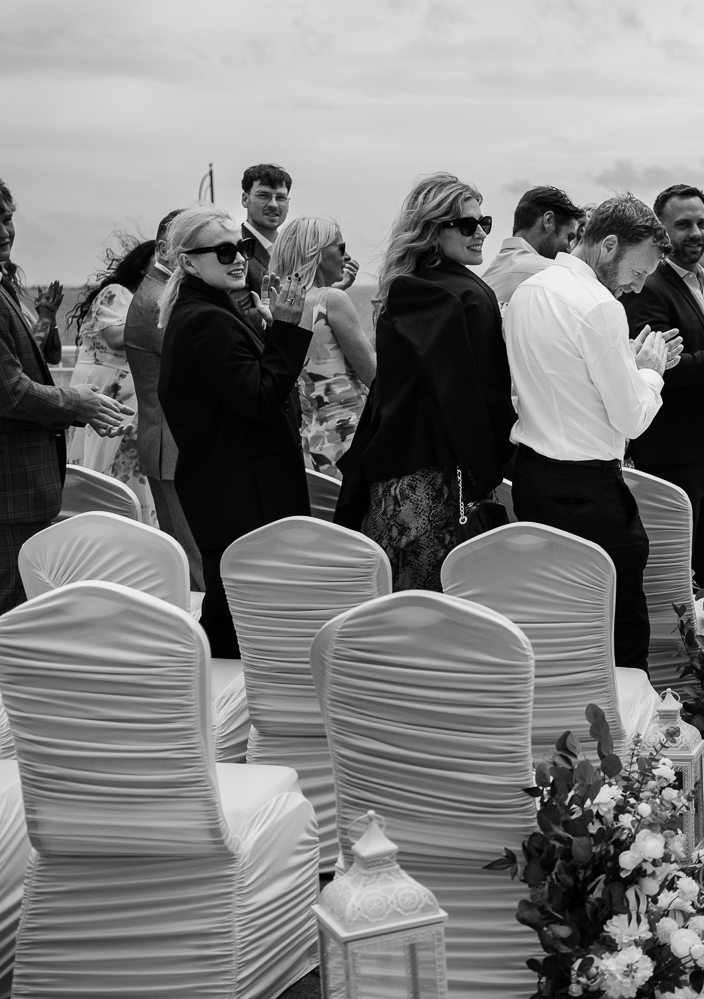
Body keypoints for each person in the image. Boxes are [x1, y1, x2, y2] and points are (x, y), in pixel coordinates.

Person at [505, 194, 676, 669]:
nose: (638, 287)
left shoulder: (529, 291)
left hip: (532, 482)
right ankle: (621, 737)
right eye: (638, 272)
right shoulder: (600, 306)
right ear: (608, 246)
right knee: (619, 630)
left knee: (558, 622)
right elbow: (632, 419)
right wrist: (650, 372)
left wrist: (629, 365)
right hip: (588, 493)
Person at [336, 174, 516, 590]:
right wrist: (496, 467)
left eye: (484, 221)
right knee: (445, 608)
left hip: (393, 485)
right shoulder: (468, 295)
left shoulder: (404, 288)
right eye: (467, 225)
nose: (481, 233)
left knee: (397, 608)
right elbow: (474, 400)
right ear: (434, 231)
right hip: (444, 485)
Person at [158, 205, 314, 657]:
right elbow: (262, 399)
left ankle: (225, 704)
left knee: (234, 609)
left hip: (229, 484)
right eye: (224, 250)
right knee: (241, 618)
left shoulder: (203, 309)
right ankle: (228, 708)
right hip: (243, 490)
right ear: (188, 262)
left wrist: (268, 330)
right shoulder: (206, 319)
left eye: (242, 246)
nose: (239, 257)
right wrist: (285, 327)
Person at [0, 178, 133, 611]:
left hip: (20, 493)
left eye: (7, 219)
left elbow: (33, 361)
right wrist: (78, 402)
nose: (5, 233)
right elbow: (12, 394)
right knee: (16, 622)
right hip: (10, 497)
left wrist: (44, 319)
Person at [623, 185, 704, 589]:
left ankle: (703, 645)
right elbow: (666, 367)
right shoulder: (648, 287)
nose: (696, 232)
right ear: (661, 231)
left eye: (701, 222)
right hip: (668, 449)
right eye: (683, 225)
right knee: (670, 567)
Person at [125, 209, 205, 586]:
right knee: (197, 563)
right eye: (191, 247)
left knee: (189, 561)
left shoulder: (159, 292)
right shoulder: (161, 300)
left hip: (166, 442)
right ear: (164, 249)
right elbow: (198, 370)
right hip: (173, 444)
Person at [65, 237, 158, 521]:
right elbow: (116, 338)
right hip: (106, 389)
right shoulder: (118, 292)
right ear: (143, 268)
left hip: (126, 393)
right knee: (107, 465)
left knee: (126, 466)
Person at [277, 218, 374, 475]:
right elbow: (375, 377)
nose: (348, 255)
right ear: (316, 252)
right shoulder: (332, 300)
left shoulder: (281, 306)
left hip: (314, 442)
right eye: (341, 248)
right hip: (351, 437)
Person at [481, 185, 585, 306]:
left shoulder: (483, 281)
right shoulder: (555, 273)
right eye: (568, 238)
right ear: (548, 221)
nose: (569, 248)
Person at [235, 163, 293, 293]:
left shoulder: (293, 250)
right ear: (245, 199)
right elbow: (237, 311)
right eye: (263, 196)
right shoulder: (235, 248)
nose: (273, 204)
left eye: (281, 198)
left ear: (288, 204)